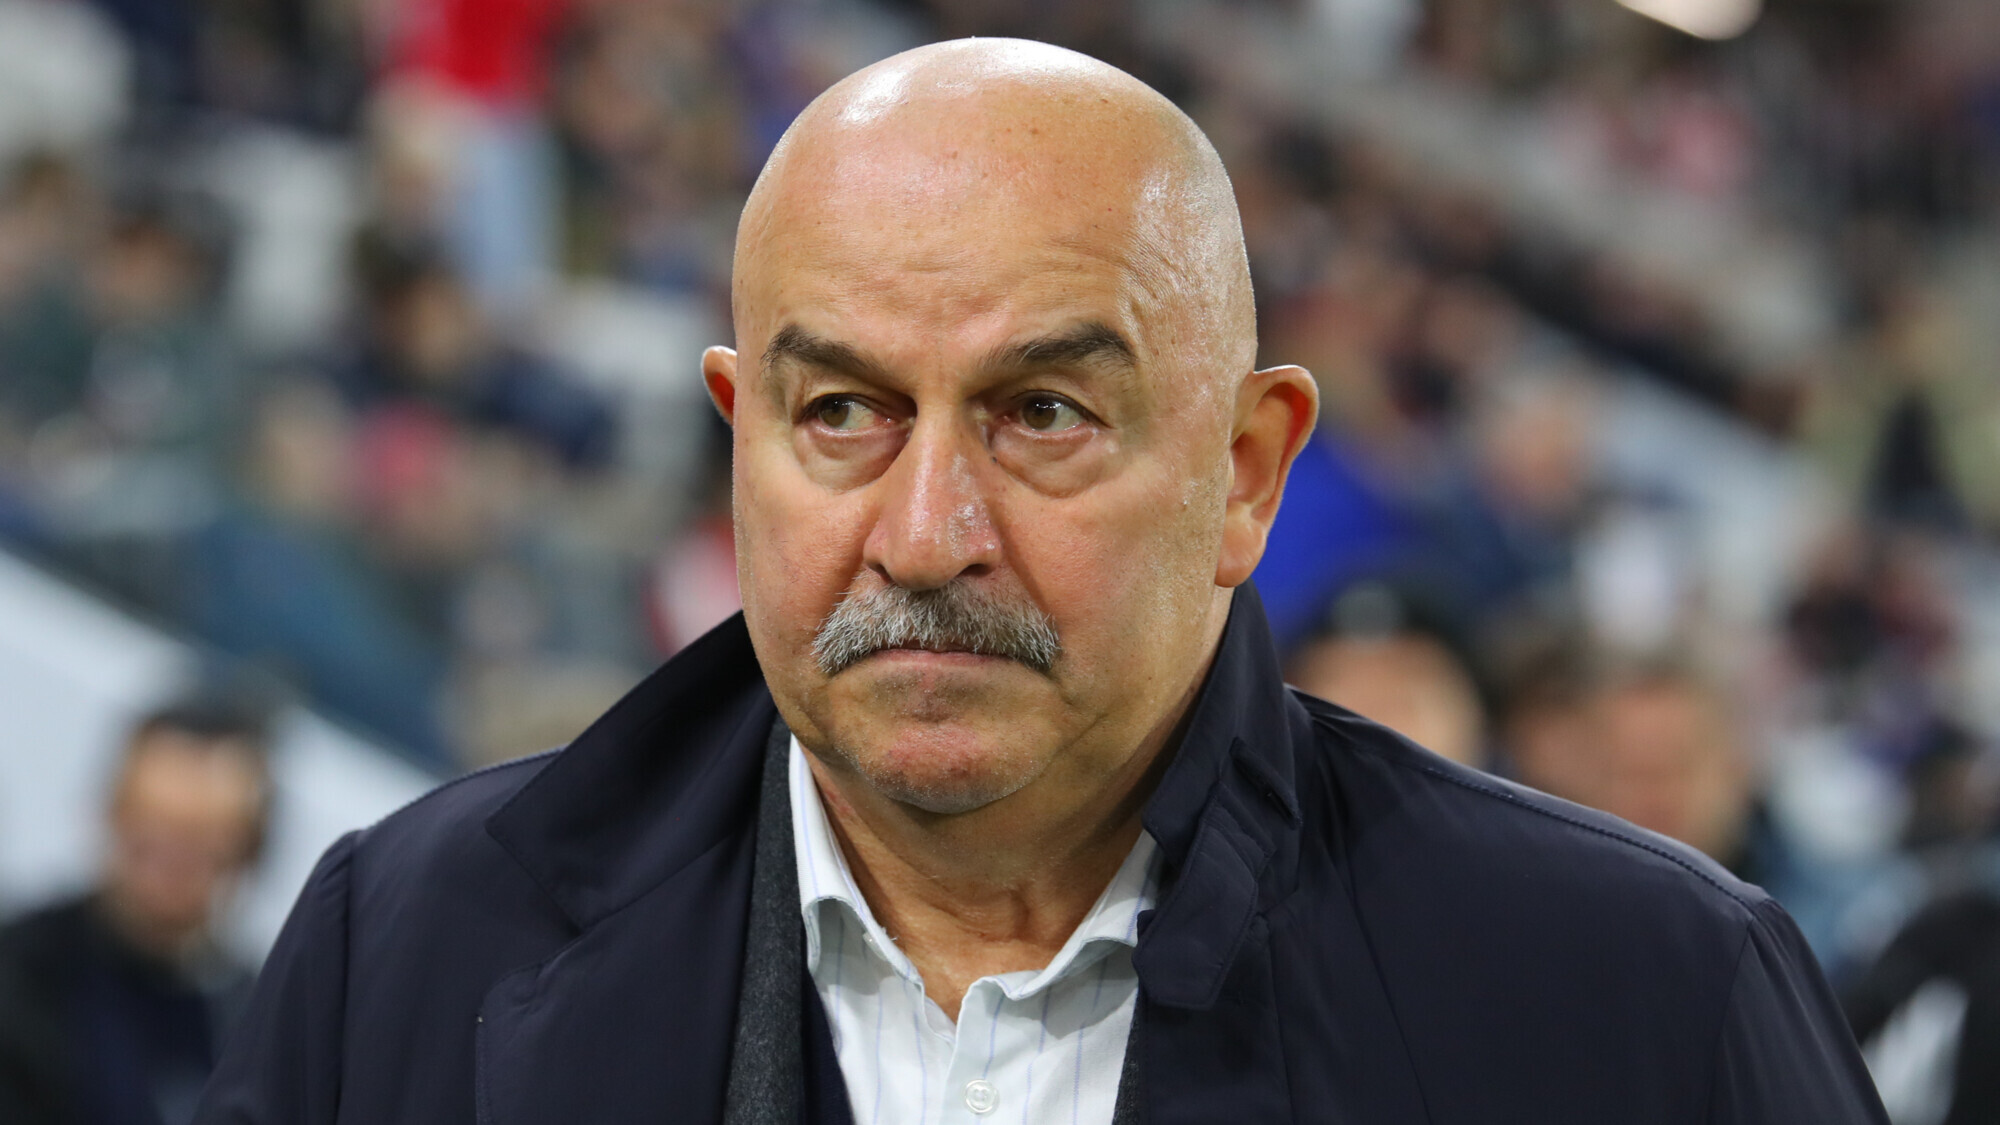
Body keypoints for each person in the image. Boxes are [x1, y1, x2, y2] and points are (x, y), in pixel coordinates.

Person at [197, 40, 1887, 1123]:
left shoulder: (1649, 1005)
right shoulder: (397, 952)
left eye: (1045, 416)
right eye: (842, 412)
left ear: (1245, 474)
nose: (928, 532)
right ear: (739, 441)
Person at [0, 697, 271, 1125]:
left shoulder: (253, 1021)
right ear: (112, 813)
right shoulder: (23, 972)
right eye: (151, 836)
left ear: (245, 855)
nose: (168, 872)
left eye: (199, 847)